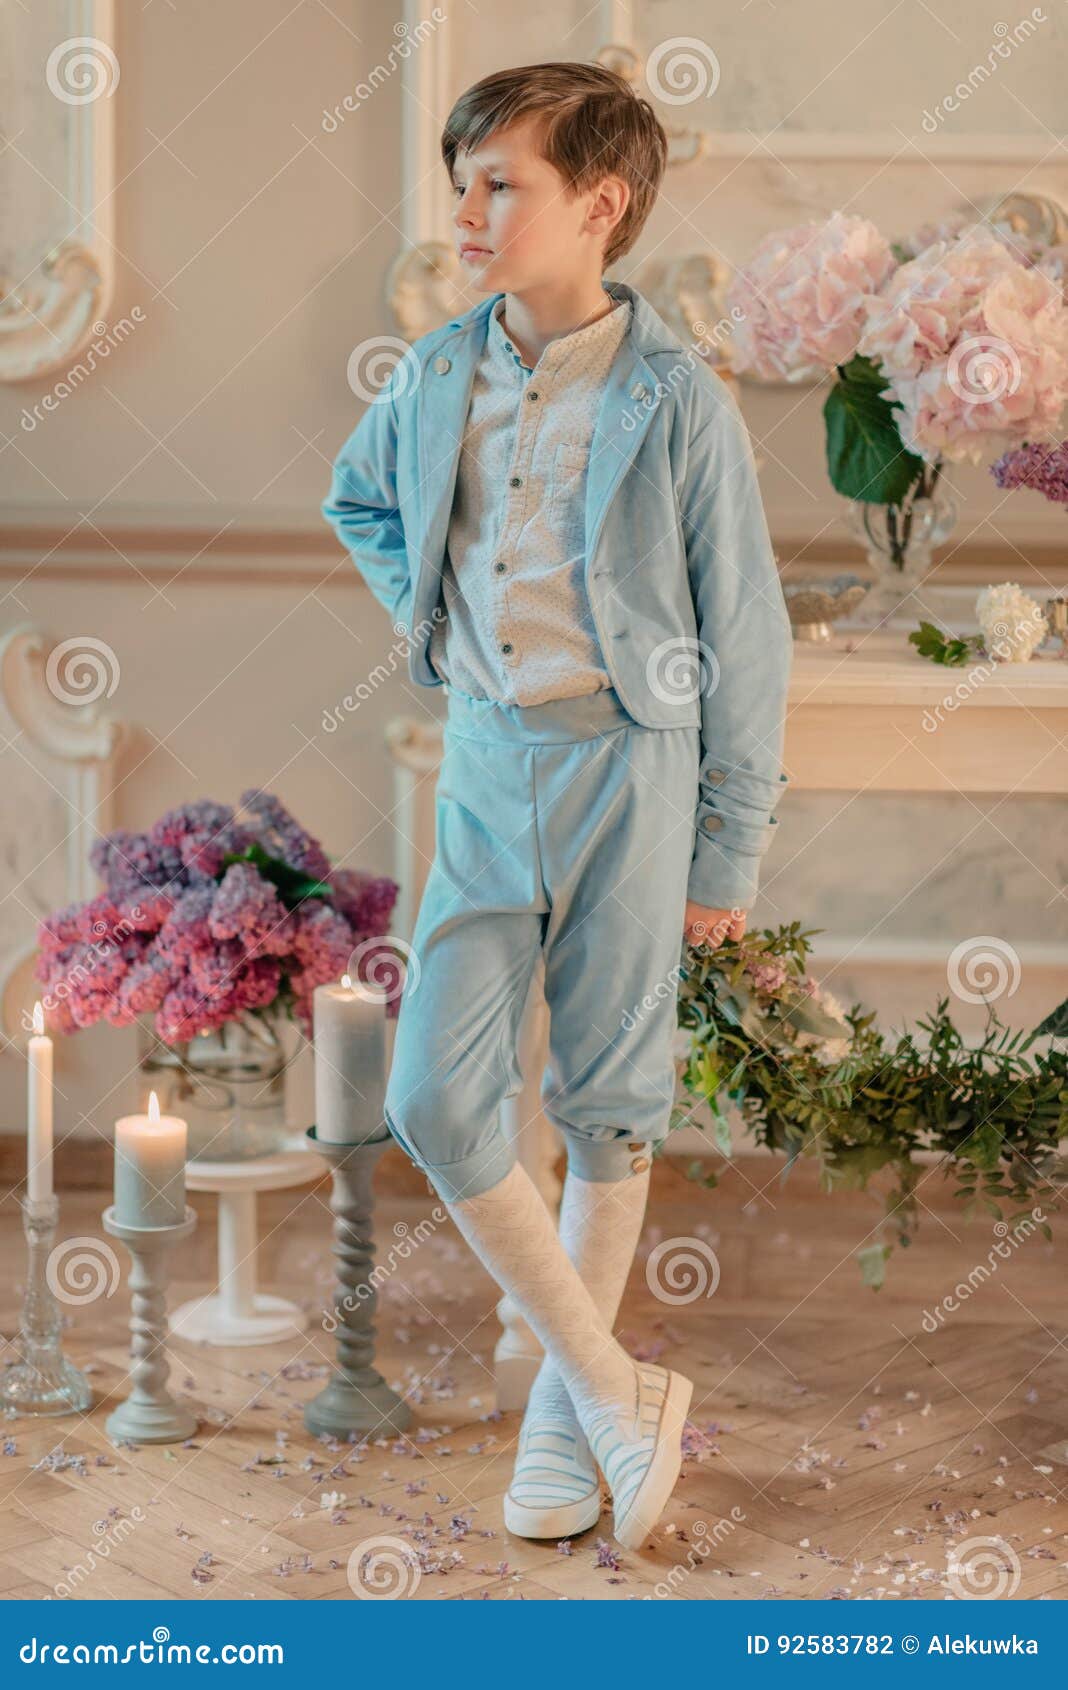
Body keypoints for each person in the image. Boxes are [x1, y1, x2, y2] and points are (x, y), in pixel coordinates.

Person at [321, 60, 792, 1551]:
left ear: (601, 207)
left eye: (498, 182)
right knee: (435, 1097)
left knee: (605, 1097)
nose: (465, 210)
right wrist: (435, 622)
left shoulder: (677, 401)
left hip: (630, 771)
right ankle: (607, 1383)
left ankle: (561, 1429)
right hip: (486, 766)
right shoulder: (432, 369)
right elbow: (361, 502)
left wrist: (726, 846)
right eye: (460, 180)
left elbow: (748, 634)